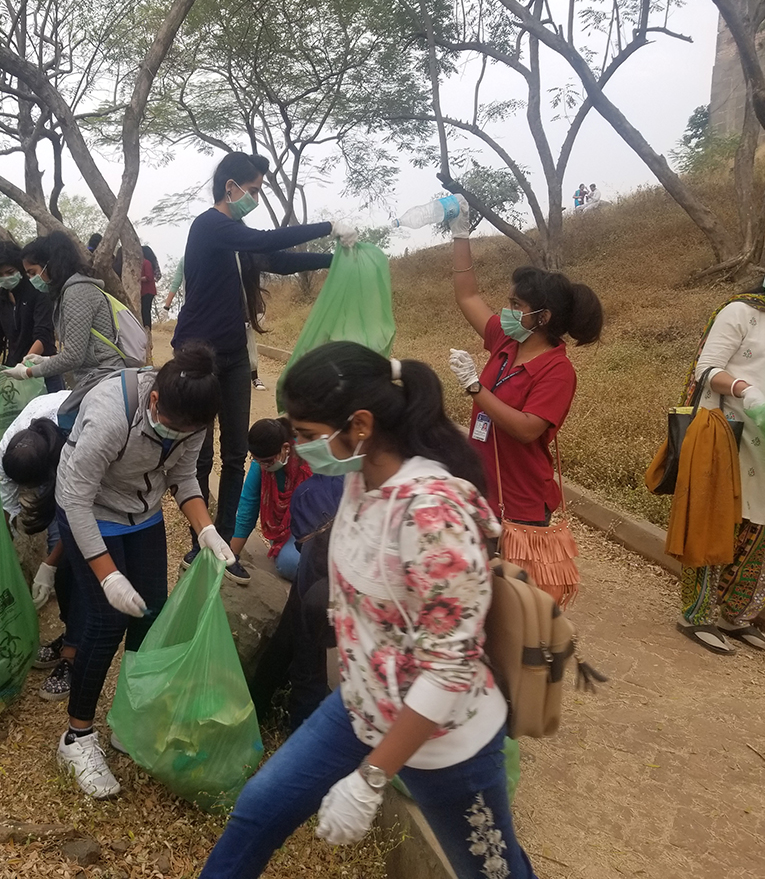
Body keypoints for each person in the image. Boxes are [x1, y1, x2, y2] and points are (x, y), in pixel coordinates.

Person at [198, 341, 536, 879]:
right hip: (361, 705)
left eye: (306, 436)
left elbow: (450, 669)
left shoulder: (434, 517)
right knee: (259, 811)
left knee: (493, 871)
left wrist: (371, 778)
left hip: (444, 743)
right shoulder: (359, 479)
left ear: (359, 425)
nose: (299, 447)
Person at [53, 343, 234, 798]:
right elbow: (75, 499)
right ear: (154, 401)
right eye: (172, 428)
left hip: (143, 512)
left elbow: (184, 476)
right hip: (89, 509)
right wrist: (108, 575)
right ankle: (77, 738)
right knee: (107, 619)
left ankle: (130, 721)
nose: (178, 436)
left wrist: (206, 531)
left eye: (189, 431)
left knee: (150, 614)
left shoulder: (191, 415)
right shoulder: (111, 414)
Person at [172, 151, 352, 560]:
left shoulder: (236, 235)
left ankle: (221, 547)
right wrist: (328, 226)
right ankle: (197, 540)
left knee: (235, 453)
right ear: (230, 187)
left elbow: (277, 259)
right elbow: (265, 240)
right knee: (197, 452)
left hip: (234, 355)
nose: (255, 196)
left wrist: (336, 257)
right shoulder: (210, 226)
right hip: (198, 357)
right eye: (252, 190)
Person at [445, 198, 603, 603]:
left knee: (511, 597)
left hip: (519, 497)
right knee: (473, 588)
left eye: (516, 305)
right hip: (482, 482)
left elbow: (528, 428)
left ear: (542, 317)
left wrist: (475, 389)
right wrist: (460, 231)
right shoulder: (505, 339)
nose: (507, 310)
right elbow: (467, 296)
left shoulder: (557, 370)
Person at [675, 241, 765, 655]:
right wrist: (746, 391)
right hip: (728, 430)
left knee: (762, 527)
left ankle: (737, 615)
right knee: (718, 520)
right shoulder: (739, 311)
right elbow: (707, 368)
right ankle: (697, 614)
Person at [0, 392, 82, 701]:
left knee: (76, 566)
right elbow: (4, 516)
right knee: (61, 556)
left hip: (93, 468)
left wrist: (49, 565)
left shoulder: (78, 438)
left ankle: (74, 653)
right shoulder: (9, 450)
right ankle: (69, 636)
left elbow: (78, 518)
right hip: (52, 456)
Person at [246, 472, 342, 732]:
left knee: (307, 662)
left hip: (327, 586)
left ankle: (302, 731)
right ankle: (256, 705)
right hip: (325, 572)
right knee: (286, 638)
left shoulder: (311, 498)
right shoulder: (336, 487)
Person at [4, 232, 125, 428]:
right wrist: (47, 359)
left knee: (66, 423)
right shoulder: (71, 292)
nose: (32, 279)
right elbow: (81, 350)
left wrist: (29, 372)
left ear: (50, 264)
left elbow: (73, 357)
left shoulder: (77, 293)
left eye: (33, 272)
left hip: (105, 380)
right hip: (97, 378)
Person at [226, 418, 312, 583]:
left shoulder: (307, 457)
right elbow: (247, 509)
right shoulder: (260, 466)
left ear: (285, 448)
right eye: (256, 460)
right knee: (289, 563)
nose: (263, 466)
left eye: (266, 461)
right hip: (283, 529)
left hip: (315, 523)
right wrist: (231, 557)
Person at [0, 240, 61, 392]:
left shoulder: (39, 292)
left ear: (20, 268)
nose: (5, 277)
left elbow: (43, 336)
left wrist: (25, 366)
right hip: (12, 371)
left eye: (10, 272)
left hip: (42, 369)